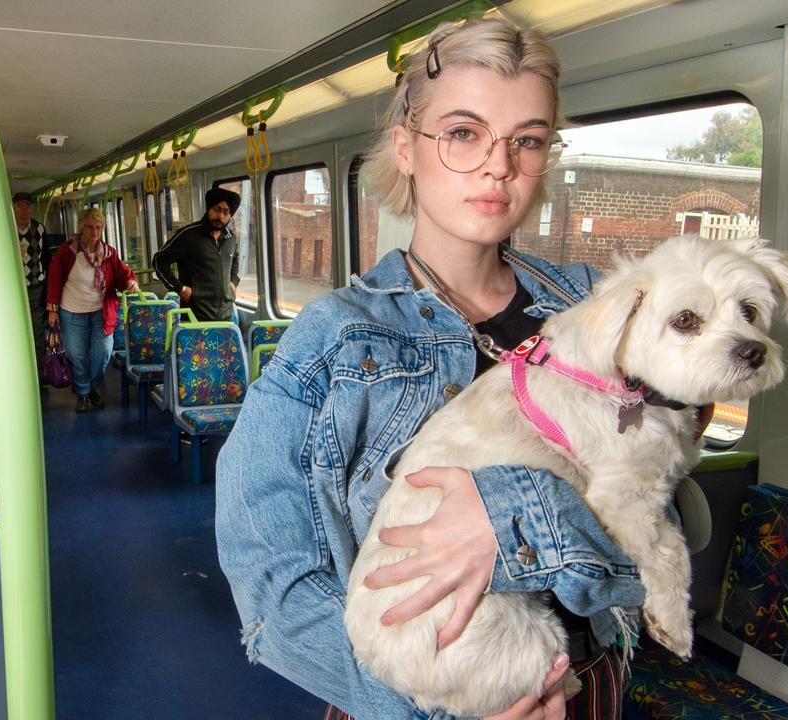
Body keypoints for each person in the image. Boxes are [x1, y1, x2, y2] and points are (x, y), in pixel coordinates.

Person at [216, 17, 650, 720]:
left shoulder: (592, 308)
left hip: (581, 685)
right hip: (406, 700)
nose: (498, 165)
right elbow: (271, 581)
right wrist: (423, 713)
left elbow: (656, 529)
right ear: (407, 148)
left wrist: (511, 519)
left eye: (527, 140)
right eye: (463, 133)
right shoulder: (336, 340)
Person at [45, 207, 138, 413]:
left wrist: (131, 282)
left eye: (98, 227)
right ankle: (83, 393)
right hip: (72, 311)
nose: (94, 232)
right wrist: (52, 309)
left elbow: (123, 275)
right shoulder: (68, 251)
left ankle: (94, 386)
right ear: (81, 227)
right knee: (76, 354)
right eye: (89, 227)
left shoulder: (109, 253)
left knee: (102, 353)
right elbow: (55, 278)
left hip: (101, 312)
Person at [152, 186, 241, 322]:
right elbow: (159, 261)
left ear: (230, 215)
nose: (220, 216)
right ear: (209, 209)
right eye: (216, 210)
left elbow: (234, 260)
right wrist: (179, 288)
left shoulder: (231, 238)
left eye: (226, 212)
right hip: (194, 317)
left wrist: (234, 282)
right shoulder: (189, 235)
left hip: (225, 317)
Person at [14, 191, 52, 382]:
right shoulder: (6, 228)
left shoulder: (39, 229)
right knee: (15, 331)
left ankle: (38, 374)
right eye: (20, 205)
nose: (24, 210)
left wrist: (46, 284)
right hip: (13, 289)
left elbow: (46, 258)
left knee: (37, 331)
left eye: (27, 206)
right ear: (14, 208)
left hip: (35, 286)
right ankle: (19, 374)